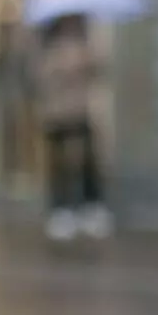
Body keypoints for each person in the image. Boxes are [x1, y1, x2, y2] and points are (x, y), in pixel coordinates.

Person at [34, 13, 111, 241]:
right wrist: (61, 66)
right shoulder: (47, 48)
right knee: (58, 163)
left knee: (88, 160)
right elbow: (40, 76)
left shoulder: (85, 44)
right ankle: (60, 209)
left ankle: (92, 206)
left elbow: (99, 71)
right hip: (55, 113)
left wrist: (86, 59)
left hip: (80, 111)